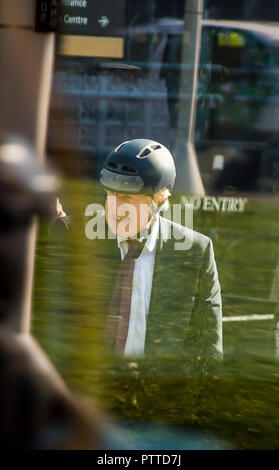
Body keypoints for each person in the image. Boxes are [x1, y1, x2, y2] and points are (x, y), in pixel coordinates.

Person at [94, 138, 223, 365]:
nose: (114, 208)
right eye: (110, 195)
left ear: (160, 199)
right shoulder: (85, 241)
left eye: (127, 198)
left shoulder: (195, 252)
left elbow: (208, 350)